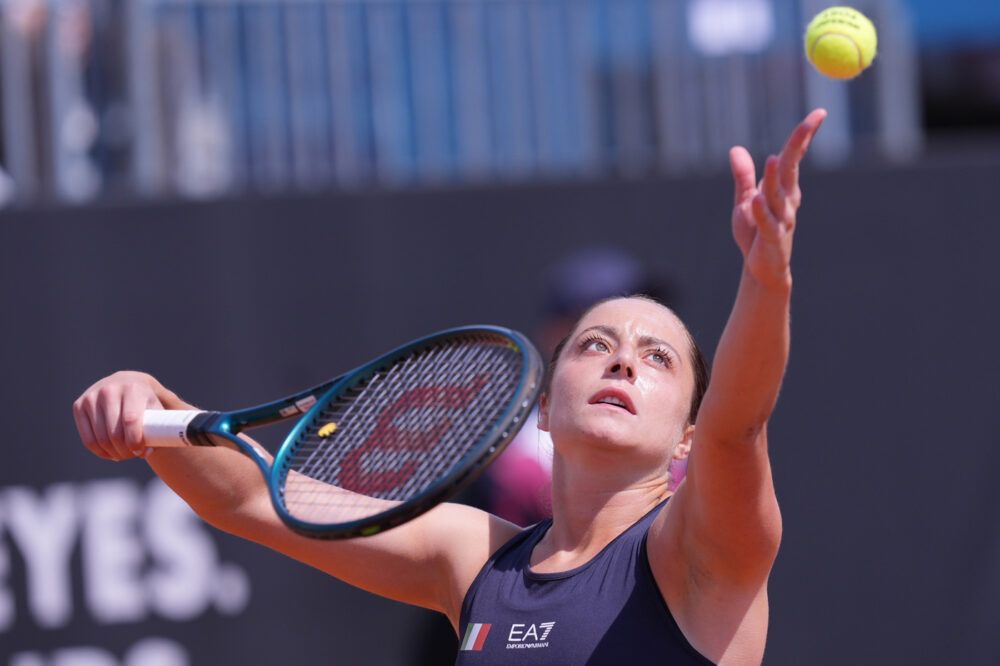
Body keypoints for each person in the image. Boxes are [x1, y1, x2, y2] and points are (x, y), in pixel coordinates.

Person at [73, 108, 826, 665]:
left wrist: (767, 279)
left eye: (658, 358)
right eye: (595, 345)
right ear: (543, 407)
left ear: (687, 436)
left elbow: (738, 428)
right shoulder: (474, 560)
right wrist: (158, 410)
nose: (623, 361)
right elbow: (249, 499)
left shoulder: (700, 554)